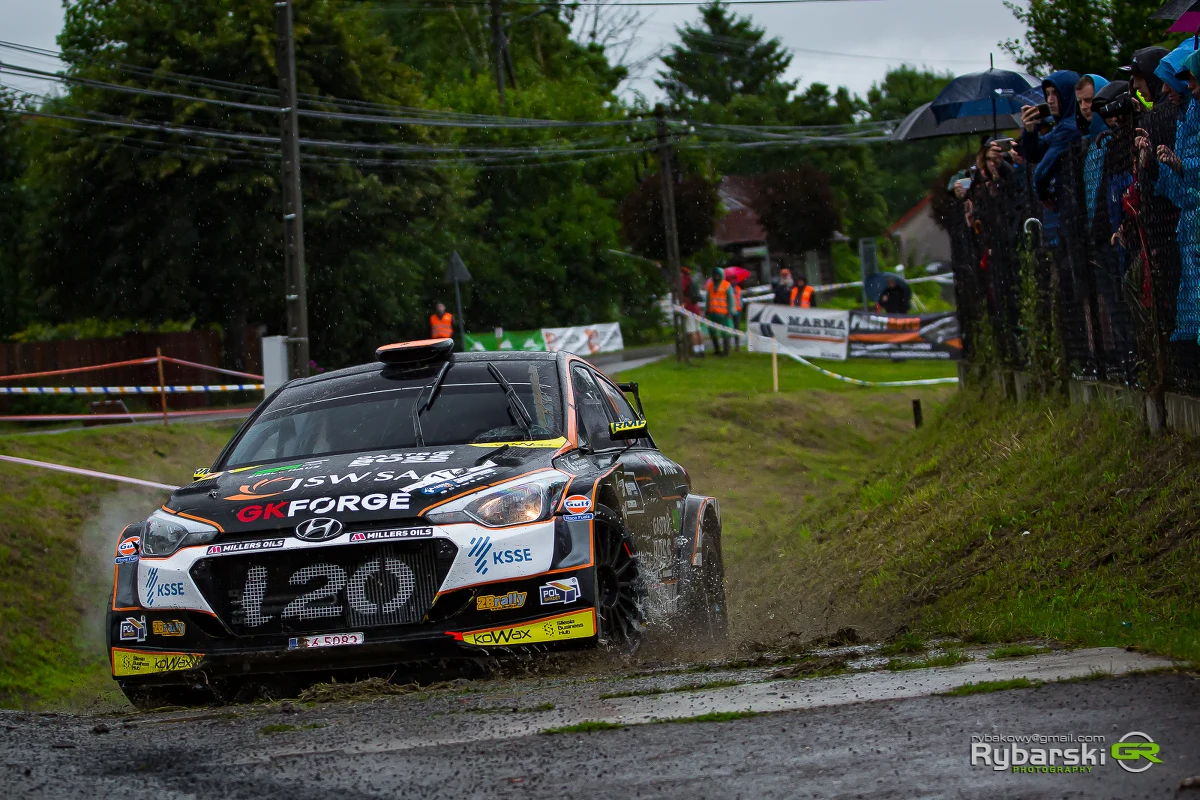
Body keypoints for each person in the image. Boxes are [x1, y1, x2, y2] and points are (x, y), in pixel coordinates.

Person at [1019, 70, 1083, 245]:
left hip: (1073, 207)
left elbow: (1041, 171)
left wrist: (1043, 194)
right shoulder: (1062, 126)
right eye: (1047, 94)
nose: (1050, 100)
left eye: (1056, 93)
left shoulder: (1068, 127)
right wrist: (1030, 131)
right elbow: (1035, 153)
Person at [704, 266, 734, 356]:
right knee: (712, 331)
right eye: (715, 275)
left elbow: (730, 299)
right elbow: (708, 299)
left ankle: (726, 351)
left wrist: (729, 311)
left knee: (725, 332)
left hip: (724, 313)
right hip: (712, 312)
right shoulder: (710, 286)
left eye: (718, 274)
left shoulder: (726, 285)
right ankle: (717, 349)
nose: (716, 276)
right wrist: (706, 310)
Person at [681, 266, 706, 357]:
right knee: (699, 330)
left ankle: (696, 351)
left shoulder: (683, 280)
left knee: (692, 331)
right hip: (696, 308)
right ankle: (702, 349)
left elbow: (681, 292)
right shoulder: (691, 280)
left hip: (689, 308)